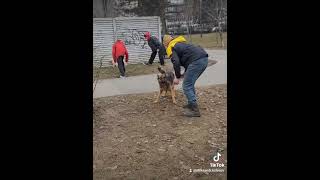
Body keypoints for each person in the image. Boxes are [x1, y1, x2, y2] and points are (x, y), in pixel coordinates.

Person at [162, 34, 208, 117]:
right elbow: (189, 60)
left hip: (197, 61)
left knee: (187, 86)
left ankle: (194, 110)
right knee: (190, 84)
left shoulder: (171, 47)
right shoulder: (180, 43)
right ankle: (191, 104)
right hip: (203, 59)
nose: (165, 47)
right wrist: (183, 75)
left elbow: (176, 62)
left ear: (166, 43)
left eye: (164, 45)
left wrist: (178, 77)